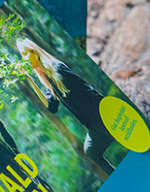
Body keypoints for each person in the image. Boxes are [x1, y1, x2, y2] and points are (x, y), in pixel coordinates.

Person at [15, 35, 116, 172]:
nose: (25, 58)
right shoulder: (49, 82)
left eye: (27, 53)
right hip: (93, 123)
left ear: (35, 53)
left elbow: (85, 88)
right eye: (23, 55)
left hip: (101, 113)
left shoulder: (57, 69)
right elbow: (52, 107)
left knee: (112, 143)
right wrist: (30, 80)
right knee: (91, 152)